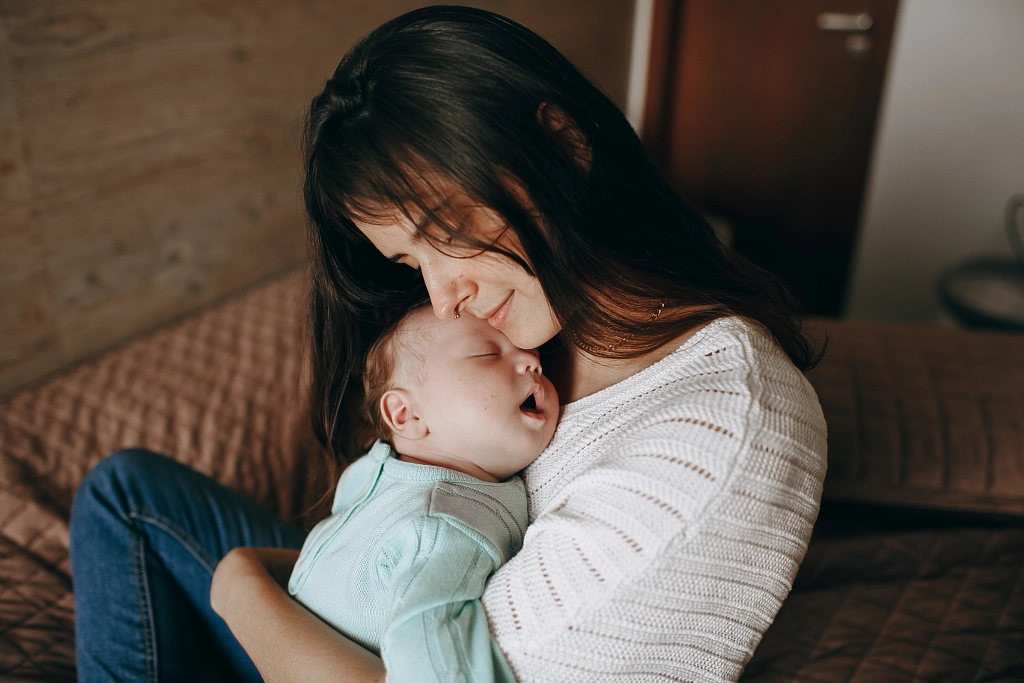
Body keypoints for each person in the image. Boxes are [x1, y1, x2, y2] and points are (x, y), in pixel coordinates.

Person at [69, 6, 827, 683]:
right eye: (410, 262)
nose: (441, 296)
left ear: (561, 145)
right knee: (126, 490)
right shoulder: (536, 324)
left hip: (362, 645)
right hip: (362, 592)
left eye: (446, 234)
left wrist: (241, 583)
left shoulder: (720, 427)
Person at [280, 304, 557, 683]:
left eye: (536, 354)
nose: (532, 361)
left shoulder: (448, 528)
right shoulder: (385, 476)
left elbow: (426, 641)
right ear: (406, 415)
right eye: (488, 353)